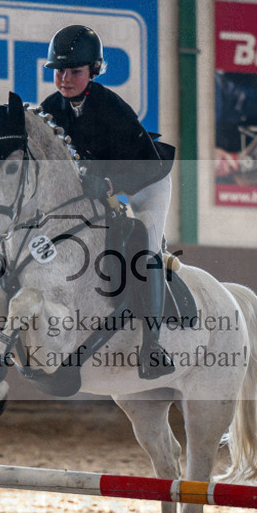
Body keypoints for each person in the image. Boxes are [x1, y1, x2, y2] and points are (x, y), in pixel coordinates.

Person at [40, 25, 174, 380]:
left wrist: (111, 184)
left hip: (146, 181)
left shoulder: (111, 107)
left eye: (75, 71)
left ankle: (152, 346)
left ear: (93, 71)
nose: (65, 79)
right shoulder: (50, 109)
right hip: (98, 187)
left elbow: (146, 165)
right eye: (59, 71)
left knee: (145, 244)